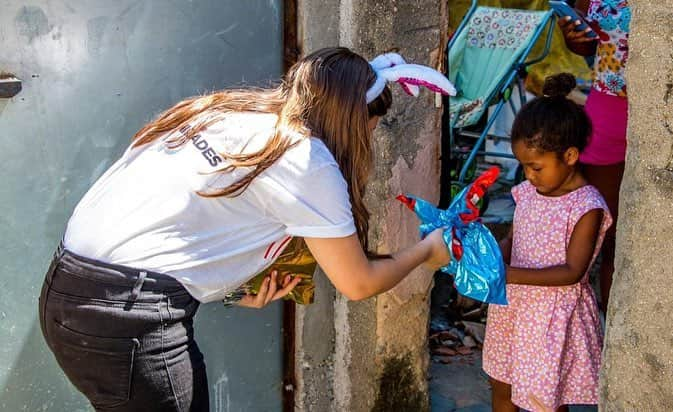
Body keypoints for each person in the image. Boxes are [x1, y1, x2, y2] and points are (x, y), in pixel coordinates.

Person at [38, 47, 454, 412]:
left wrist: (234, 288)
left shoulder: (227, 113)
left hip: (68, 290)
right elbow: (358, 282)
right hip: (129, 320)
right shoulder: (307, 158)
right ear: (352, 120)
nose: (369, 138)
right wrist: (426, 252)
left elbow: (174, 227)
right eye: (371, 126)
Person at [482, 73, 613, 412]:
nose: (529, 175)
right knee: (502, 385)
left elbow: (572, 271)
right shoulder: (527, 193)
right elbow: (515, 236)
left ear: (570, 156)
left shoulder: (587, 206)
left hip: (551, 318)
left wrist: (509, 274)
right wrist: (491, 256)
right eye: (524, 166)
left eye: (536, 167)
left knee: (546, 398)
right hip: (512, 307)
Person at [558, 0, 630, 312]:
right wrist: (576, 40)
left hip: (668, 113)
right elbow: (590, 45)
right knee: (608, 235)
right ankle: (609, 337)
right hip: (609, 113)